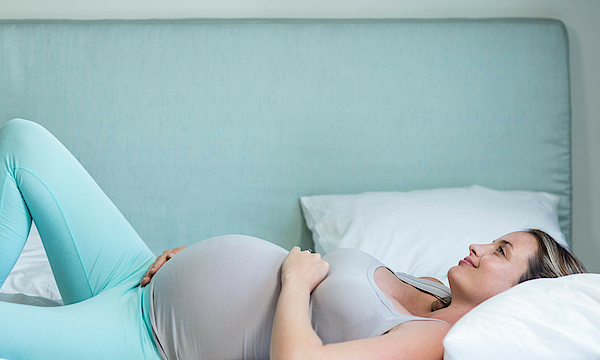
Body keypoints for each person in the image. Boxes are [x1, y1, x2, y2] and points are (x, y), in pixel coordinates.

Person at [0, 119, 587, 360]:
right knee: (23, 143)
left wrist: (294, 280)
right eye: (495, 240)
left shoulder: (436, 341)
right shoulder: (431, 288)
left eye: (502, 253)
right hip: (141, 276)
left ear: (525, 294)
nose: (481, 246)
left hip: (145, 339)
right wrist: (195, 261)